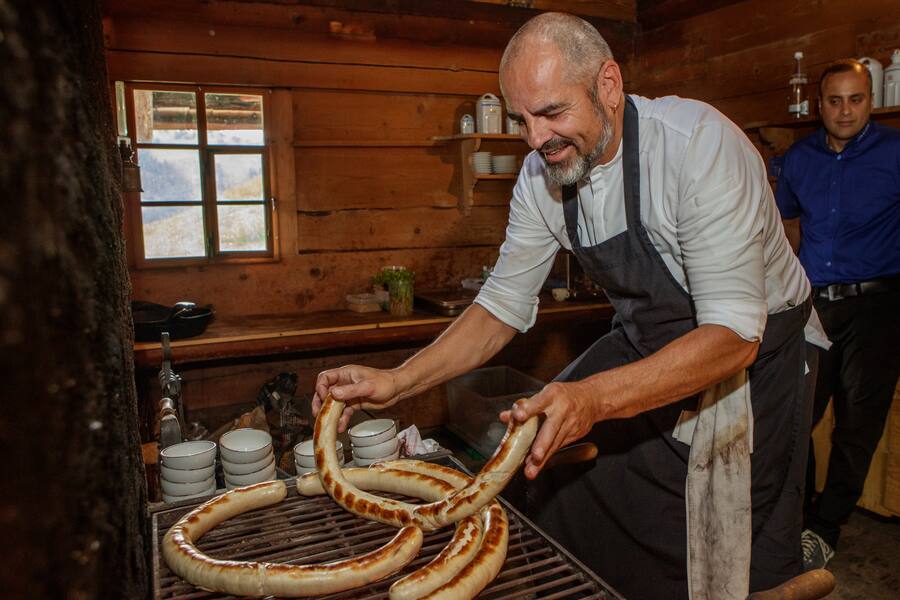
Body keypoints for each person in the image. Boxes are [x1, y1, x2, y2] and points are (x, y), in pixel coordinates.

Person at [314, 13, 818, 599]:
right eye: (522, 119)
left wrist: (593, 398)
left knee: (730, 541)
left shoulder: (697, 149)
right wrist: (398, 382)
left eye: (552, 113)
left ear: (608, 84)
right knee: (558, 482)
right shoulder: (542, 174)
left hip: (756, 362)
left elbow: (734, 334)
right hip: (647, 341)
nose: (535, 139)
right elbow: (501, 305)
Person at [775, 59, 900, 571]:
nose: (844, 110)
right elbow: (788, 231)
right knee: (795, 414)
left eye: (855, 99)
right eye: (834, 100)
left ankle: (825, 528)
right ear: (819, 103)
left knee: (857, 425)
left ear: (869, 101)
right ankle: (793, 517)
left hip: (878, 306)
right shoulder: (798, 158)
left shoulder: (896, 152)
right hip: (813, 304)